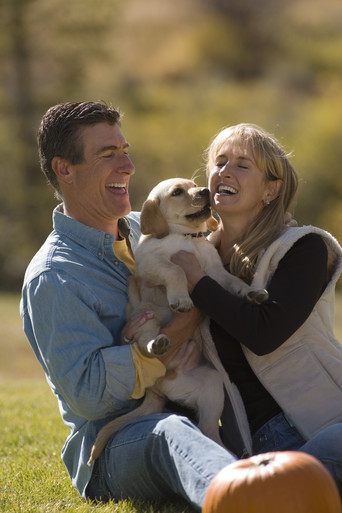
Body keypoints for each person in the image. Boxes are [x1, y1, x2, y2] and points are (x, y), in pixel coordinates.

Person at [20, 101, 242, 511]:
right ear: (64, 169)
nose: (128, 165)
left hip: (197, 395)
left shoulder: (152, 223)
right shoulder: (55, 277)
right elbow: (89, 395)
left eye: (124, 150)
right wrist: (164, 338)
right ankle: (248, 497)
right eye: (108, 155)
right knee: (171, 434)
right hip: (122, 441)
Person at [171, 122, 342, 495]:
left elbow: (265, 333)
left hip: (328, 422)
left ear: (271, 189)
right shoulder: (193, 257)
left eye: (242, 165)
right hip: (258, 450)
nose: (224, 172)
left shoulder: (303, 248)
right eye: (219, 162)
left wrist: (199, 283)